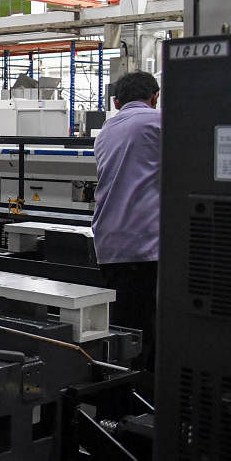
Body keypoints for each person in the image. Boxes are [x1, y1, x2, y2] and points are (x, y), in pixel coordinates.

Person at [93, 71, 161, 373]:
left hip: (108, 244)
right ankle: (141, 408)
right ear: (155, 97)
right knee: (147, 334)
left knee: (121, 330)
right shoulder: (159, 123)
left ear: (117, 102)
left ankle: (116, 402)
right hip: (145, 245)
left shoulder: (107, 129)